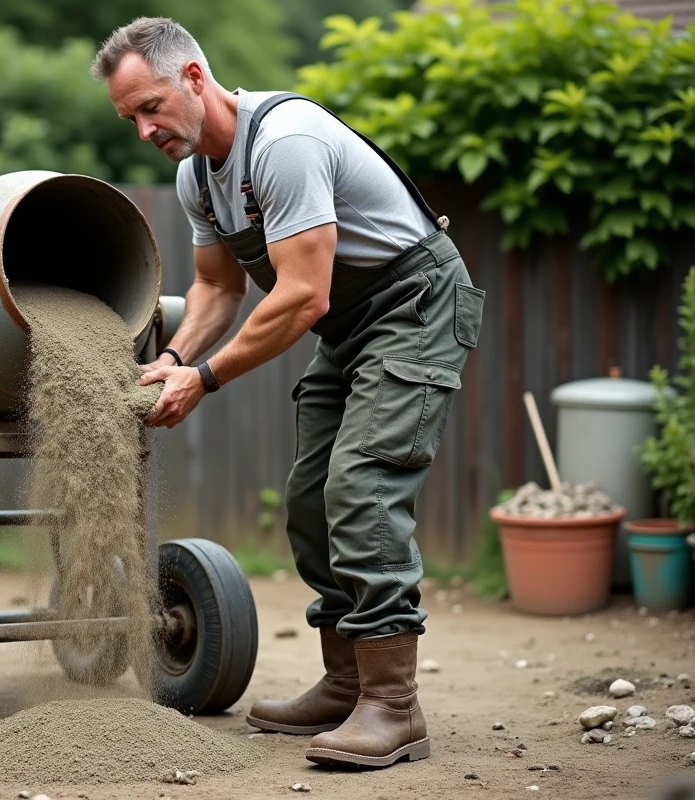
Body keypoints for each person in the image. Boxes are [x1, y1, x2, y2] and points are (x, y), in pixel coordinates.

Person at [90, 17, 485, 768]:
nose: (143, 129)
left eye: (150, 107)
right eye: (129, 118)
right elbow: (215, 286)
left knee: (363, 488)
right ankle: (346, 683)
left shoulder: (284, 142)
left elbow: (302, 296)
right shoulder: (195, 177)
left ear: (195, 80)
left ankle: (394, 707)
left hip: (414, 306)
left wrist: (203, 380)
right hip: (351, 325)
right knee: (311, 500)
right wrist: (172, 355)